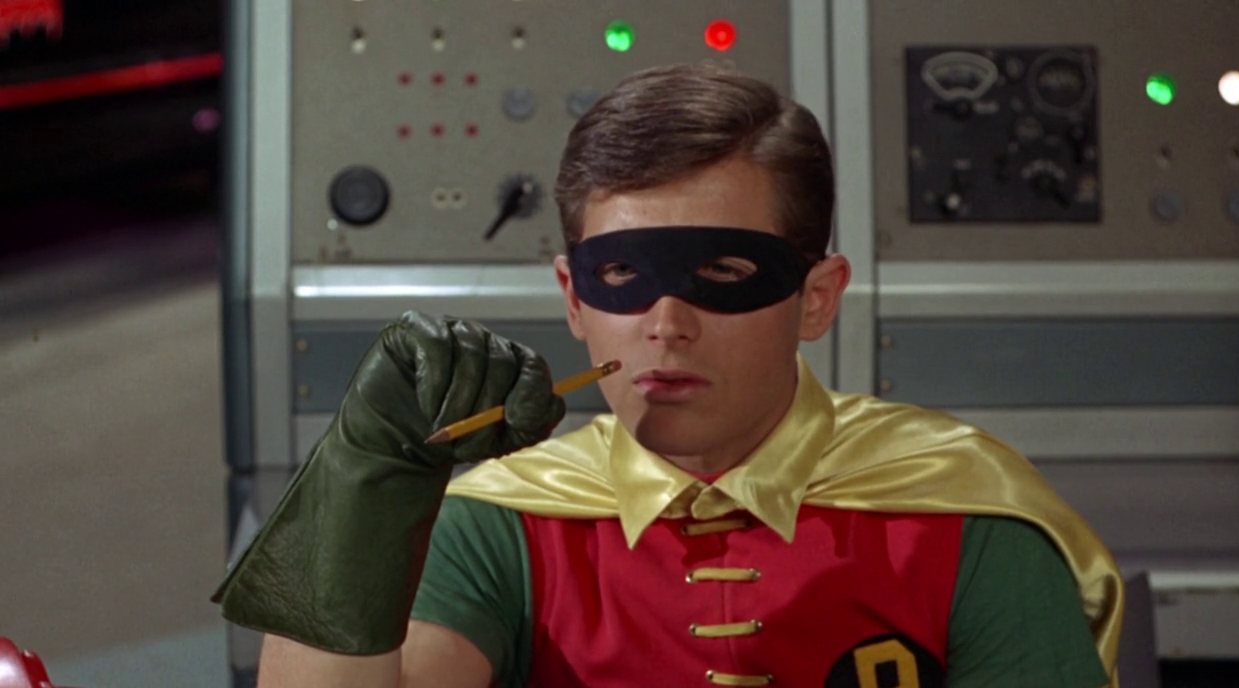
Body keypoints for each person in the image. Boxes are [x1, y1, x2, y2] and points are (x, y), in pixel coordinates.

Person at [215, 63, 1123, 687]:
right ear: (573, 298)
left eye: (723, 274)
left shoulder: (959, 517)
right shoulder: (506, 524)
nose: (665, 324)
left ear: (816, 298)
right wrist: (362, 487)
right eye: (622, 276)